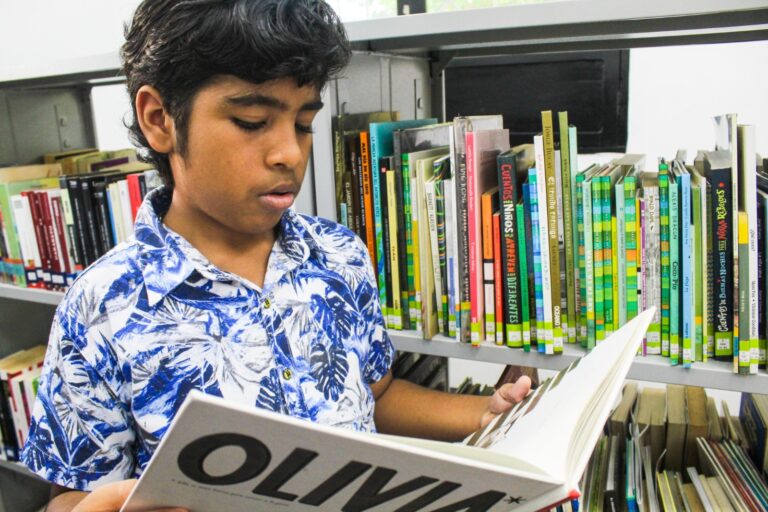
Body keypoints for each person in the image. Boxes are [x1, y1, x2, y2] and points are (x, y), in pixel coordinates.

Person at [21, 1, 531, 511]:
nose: (288, 152)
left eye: (304, 124)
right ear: (160, 120)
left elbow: (376, 394)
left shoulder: (339, 255)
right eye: (251, 121)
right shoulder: (99, 307)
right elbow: (73, 493)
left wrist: (482, 413)